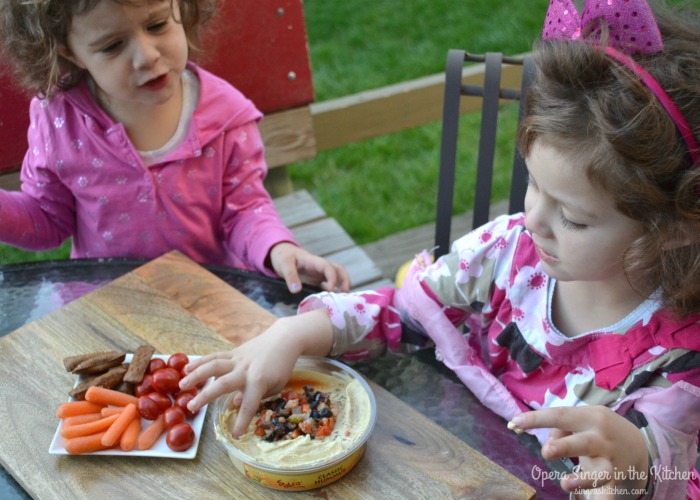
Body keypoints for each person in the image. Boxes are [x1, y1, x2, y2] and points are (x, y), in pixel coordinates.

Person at [180, 0, 700, 497]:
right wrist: (296, 332)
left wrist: (641, 467)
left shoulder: (679, 365)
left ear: (675, 227)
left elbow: (678, 480)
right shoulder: (507, 252)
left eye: (573, 218)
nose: (532, 220)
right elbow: (400, 316)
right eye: (534, 184)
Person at [0, 0, 350, 294]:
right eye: (112, 46)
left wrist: (279, 248)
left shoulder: (225, 118)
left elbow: (245, 211)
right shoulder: (61, 119)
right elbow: (46, 220)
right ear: (69, 52)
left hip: (213, 305)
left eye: (156, 25)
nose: (146, 56)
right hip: (107, 309)